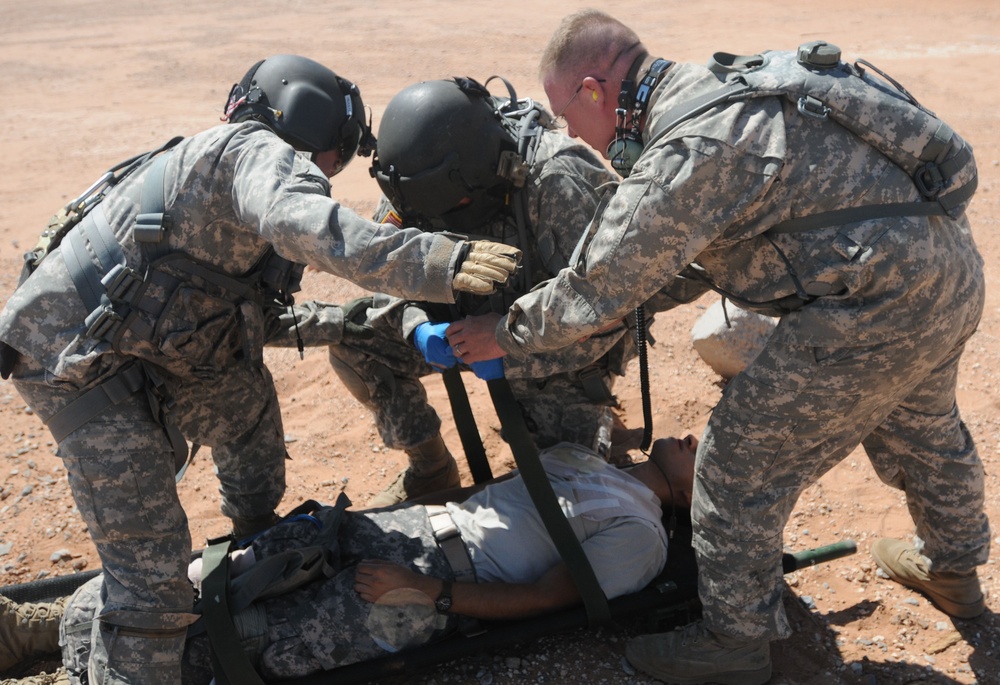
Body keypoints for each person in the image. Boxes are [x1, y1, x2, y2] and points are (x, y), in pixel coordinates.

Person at [446, 10, 990, 685]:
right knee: (925, 427)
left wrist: (503, 330)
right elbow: (706, 255)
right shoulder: (730, 87)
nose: (568, 134)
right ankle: (953, 569)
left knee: (736, 467)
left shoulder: (685, 148)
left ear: (592, 90)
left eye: (565, 115)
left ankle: (734, 643)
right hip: (946, 275)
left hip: (867, 308)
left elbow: (596, 288)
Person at [0, 55, 520, 685]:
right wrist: (435, 262)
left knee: (245, 402)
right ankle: (100, 649)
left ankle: (255, 540)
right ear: (304, 121)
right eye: (335, 156)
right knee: (151, 586)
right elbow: (305, 225)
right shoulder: (253, 153)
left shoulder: (218, 177)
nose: (326, 175)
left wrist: (396, 322)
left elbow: (258, 324)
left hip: (137, 353)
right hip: (82, 375)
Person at [0, 436, 698, 684]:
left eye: (702, 450)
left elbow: (553, 597)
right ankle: (41, 624)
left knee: (251, 637)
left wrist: (428, 591)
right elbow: (488, 497)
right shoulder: (590, 459)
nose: (690, 432)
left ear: (695, 493)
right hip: (405, 530)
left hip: (432, 584)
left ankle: (77, 667)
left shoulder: (641, 536)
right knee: (222, 572)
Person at [273, 75, 640, 507]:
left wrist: (507, 339)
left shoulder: (559, 180)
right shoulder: (411, 183)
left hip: (553, 349)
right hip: (467, 334)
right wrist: (417, 329)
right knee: (359, 341)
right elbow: (388, 272)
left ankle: (597, 428)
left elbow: (611, 311)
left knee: (568, 496)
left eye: (457, 209)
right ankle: (430, 468)